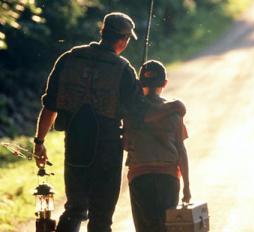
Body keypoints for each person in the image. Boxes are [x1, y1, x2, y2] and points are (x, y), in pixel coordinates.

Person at [32, 12, 185, 232]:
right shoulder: (122, 70)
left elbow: (50, 106)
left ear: (102, 32)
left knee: (74, 209)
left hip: (76, 147)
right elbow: (142, 116)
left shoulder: (69, 59)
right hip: (107, 152)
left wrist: (39, 141)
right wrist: (174, 106)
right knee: (101, 217)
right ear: (123, 40)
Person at [124, 60, 191, 232]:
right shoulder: (174, 112)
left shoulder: (131, 111)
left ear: (140, 84)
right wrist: (187, 186)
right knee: (165, 227)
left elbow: (125, 144)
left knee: (145, 227)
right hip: (168, 177)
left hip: (140, 177)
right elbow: (181, 150)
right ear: (165, 83)